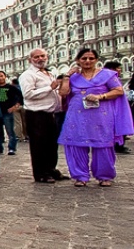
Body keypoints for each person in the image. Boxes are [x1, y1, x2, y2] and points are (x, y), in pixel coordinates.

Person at [57, 48, 134, 187]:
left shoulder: (107, 75)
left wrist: (100, 96)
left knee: (102, 144)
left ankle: (104, 176)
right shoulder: (73, 78)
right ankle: (81, 176)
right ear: (78, 60)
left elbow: (118, 91)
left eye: (91, 58)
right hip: (77, 116)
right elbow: (63, 93)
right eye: (84, 58)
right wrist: (67, 75)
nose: (87, 61)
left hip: (101, 115)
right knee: (76, 144)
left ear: (96, 60)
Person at [18, 48, 65, 183]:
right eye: (36, 57)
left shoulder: (49, 73)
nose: (40, 59)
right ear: (30, 60)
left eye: (42, 56)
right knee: (39, 145)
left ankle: (51, 169)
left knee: (51, 144)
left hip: (51, 114)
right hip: (36, 114)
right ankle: (41, 173)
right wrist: (50, 87)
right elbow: (28, 94)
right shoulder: (28, 75)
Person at [0, 71, 23, 156]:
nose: (0, 78)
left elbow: (21, 97)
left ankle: (12, 148)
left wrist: (15, 106)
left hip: (7, 112)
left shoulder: (11, 87)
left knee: (10, 131)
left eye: (1, 76)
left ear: (5, 76)